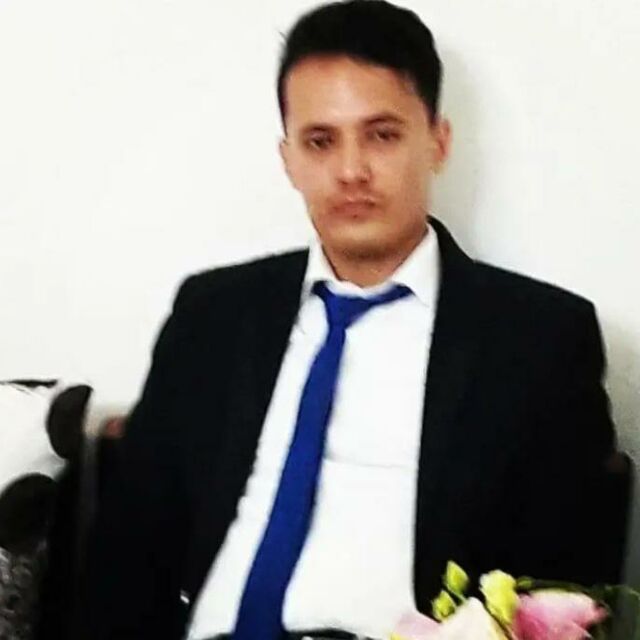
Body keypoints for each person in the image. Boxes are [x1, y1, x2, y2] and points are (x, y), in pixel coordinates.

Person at [85, 1, 618, 639]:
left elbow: (560, 595)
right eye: (320, 141)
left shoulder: (540, 340)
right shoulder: (213, 315)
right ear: (288, 159)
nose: (351, 171)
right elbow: (124, 554)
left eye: (382, 135)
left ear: (438, 141)